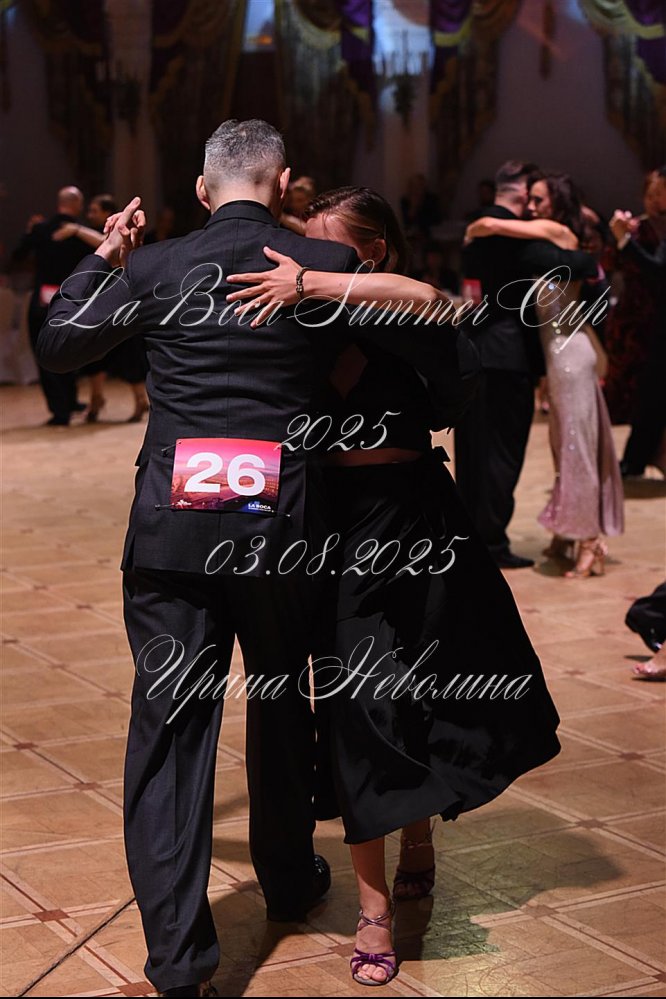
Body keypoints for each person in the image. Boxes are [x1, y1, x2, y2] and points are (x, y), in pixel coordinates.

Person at [35, 119, 379, 999]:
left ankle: (180, 961)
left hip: (173, 534)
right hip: (283, 531)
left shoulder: (153, 267)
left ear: (200, 189)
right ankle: (289, 880)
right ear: (284, 182)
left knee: (168, 735)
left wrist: (106, 254)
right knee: (281, 707)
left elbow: (60, 342)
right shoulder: (321, 265)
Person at [226, 186, 562, 986]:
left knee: (425, 692)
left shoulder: (404, 311)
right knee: (356, 704)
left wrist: (332, 288)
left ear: (373, 250)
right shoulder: (300, 317)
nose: (311, 260)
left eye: (332, 246)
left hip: (415, 520)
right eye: (308, 246)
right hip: (333, 527)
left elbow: (446, 336)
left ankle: (418, 833)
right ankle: (373, 908)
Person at [466, 171, 624, 577]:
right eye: (530, 198)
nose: (532, 207)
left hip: (570, 356)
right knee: (563, 448)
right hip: (555, 360)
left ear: (557, 203)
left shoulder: (556, 232)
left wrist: (483, 225)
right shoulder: (545, 244)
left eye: (539, 199)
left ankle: (590, 542)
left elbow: (493, 226)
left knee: (576, 450)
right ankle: (568, 532)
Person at [13, 185, 89, 425]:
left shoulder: (42, 229)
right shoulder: (80, 233)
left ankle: (60, 410)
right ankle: (70, 401)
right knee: (72, 348)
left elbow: (18, 256)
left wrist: (29, 231)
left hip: (43, 300)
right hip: (74, 298)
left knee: (44, 350)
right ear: (76, 204)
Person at [70, 193, 150, 423]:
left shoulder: (122, 232)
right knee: (94, 355)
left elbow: (107, 247)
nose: (90, 214)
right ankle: (96, 399)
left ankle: (140, 400)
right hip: (99, 300)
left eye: (94, 210)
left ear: (108, 212)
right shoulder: (91, 235)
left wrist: (76, 230)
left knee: (129, 354)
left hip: (123, 300)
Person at [609, 165, 666, 479]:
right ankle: (637, 459)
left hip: (654, 322)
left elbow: (658, 272)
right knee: (647, 393)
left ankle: (637, 459)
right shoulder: (641, 226)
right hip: (639, 322)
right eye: (651, 194)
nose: (655, 200)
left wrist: (625, 241)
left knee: (651, 392)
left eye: (661, 193)